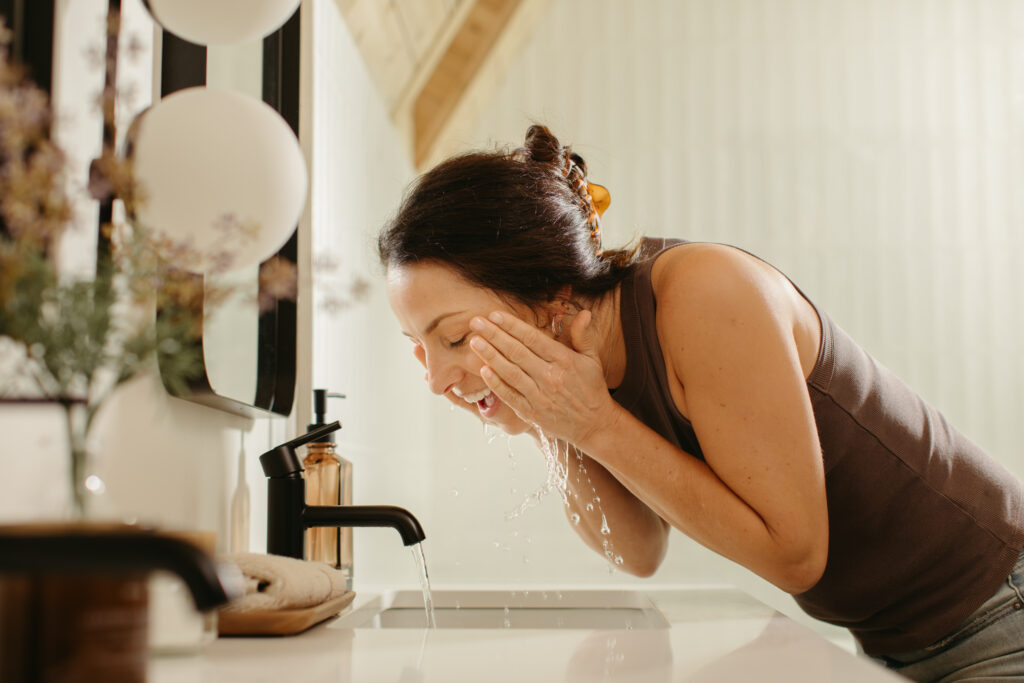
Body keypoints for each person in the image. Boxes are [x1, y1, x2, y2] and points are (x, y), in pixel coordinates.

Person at [377, 124, 1024, 681]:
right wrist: (551, 417)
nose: (436, 380)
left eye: (454, 337)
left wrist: (593, 423)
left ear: (550, 295)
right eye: (418, 348)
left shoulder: (704, 297)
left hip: (1000, 608)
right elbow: (637, 552)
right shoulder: (584, 366)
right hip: (893, 642)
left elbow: (799, 554)